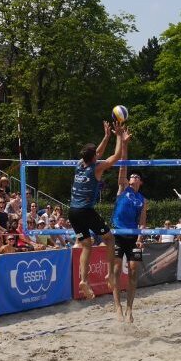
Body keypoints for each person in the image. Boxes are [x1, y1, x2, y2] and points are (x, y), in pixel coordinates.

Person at [70, 121, 126, 299]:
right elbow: (115, 157)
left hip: (72, 212)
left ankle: (84, 280)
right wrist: (118, 135)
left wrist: (106, 136)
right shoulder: (97, 168)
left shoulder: (80, 164)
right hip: (85, 210)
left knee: (86, 245)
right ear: (94, 157)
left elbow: (98, 153)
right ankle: (109, 273)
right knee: (109, 239)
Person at [110, 136, 146, 323]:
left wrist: (141, 237)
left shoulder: (142, 200)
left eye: (137, 177)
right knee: (116, 271)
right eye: (132, 176)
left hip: (133, 237)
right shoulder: (123, 188)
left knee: (133, 271)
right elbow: (122, 166)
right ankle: (117, 307)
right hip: (117, 235)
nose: (133, 177)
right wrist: (124, 143)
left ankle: (130, 309)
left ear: (140, 182)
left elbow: (142, 222)